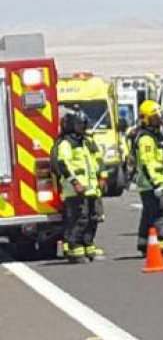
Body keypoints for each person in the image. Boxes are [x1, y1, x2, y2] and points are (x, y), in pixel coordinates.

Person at [54, 108, 104, 263]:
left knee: (92, 218)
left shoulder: (85, 142)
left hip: (90, 189)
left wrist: (102, 176)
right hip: (75, 190)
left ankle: (88, 246)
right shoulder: (66, 143)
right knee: (79, 219)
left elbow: (96, 160)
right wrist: (75, 182)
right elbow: (63, 164)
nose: (81, 127)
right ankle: (74, 248)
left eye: (83, 124)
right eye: (78, 124)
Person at [134, 99, 163, 256]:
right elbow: (147, 162)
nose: (159, 120)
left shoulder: (157, 136)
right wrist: (156, 183)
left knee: (149, 214)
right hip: (152, 183)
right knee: (161, 213)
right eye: (154, 117)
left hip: (156, 181)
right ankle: (161, 246)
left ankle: (144, 244)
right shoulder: (146, 138)